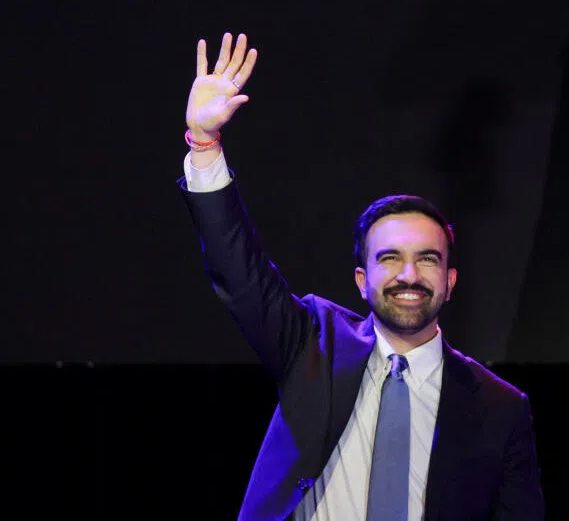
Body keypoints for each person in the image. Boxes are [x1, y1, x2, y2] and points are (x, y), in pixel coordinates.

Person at [178, 32, 545, 521]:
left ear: (451, 280)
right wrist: (205, 144)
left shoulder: (502, 408)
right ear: (360, 279)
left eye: (428, 259)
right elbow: (239, 272)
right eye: (389, 258)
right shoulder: (313, 342)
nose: (409, 274)